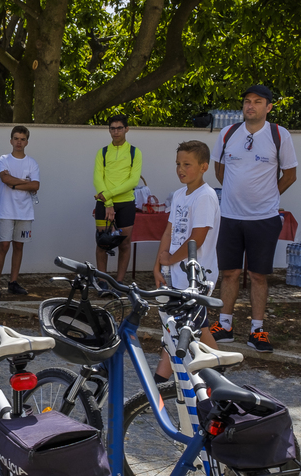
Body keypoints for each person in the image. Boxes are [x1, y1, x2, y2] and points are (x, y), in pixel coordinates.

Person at [210, 84, 298, 353]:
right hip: (230, 216)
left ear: (268, 107)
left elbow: (290, 175)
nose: (251, 106)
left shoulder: (278, 135)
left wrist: (268, 196)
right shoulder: (228, 133)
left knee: (258, 275)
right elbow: (219, 170)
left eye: (258, 101)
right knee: (229, 273)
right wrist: (237, 196)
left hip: (264, 218)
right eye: (247, 101)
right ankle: (224, 325)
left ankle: (257, 329)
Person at [153, 140, 220, 380]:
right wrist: (159, 264)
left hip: (198, 276)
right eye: (178, 164)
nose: (181, 169)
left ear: (204, 167)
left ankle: (160, 383)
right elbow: (169, 232)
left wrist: (170, 259)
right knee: (193, 327)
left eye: (187, 164)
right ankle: (217, 377)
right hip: (177, 273)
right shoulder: (180, 195)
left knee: (186, 328)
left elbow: (197, 238)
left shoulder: (205, 197)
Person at [93, 115, 143, 286]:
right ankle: (102, 281)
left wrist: (109, 195)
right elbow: (97, 179)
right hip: (104, 204)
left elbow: (133, 181)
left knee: (125, 243)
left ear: (126, 129)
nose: (116, 132)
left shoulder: (134, 152)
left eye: (119, 128)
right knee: (103, 242)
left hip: (126, 203)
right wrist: (107, 202)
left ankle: (119, 282)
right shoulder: (103, 152)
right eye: (112, 128)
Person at [0, 125, 40, 297]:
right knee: (4, 245)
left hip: (25, 212)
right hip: (6, 210)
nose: (19, 142)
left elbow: (36, 185)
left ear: (27, 141)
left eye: (22, 139)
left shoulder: (31, 162)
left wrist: (14, 183)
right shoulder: (3, 159)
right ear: (11, 140)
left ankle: (13, 282)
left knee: (18, 246)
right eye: (16, 138)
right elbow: (4, 178)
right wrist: (23, 182)